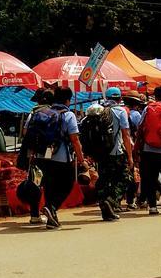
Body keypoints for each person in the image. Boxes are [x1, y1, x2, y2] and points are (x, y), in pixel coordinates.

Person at [23, 86, 84, 229]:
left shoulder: (40, 113)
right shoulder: (68, 115)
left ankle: (52, 219)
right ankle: (52, 207)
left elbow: (27, 133)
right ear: (68, 100)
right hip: (61, 157)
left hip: (41, 157)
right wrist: (81, 160)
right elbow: (74, 139)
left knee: (49, 186)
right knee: (68, 183)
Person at [93, 87, 137, 221]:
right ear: (119, 98)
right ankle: (111, 201)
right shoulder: (120, 111)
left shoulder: (97, 110)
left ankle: (105, 207)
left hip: (101, 153)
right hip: (116, 151)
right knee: (125, 177)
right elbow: (125, 135)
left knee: (104, 179)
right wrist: (130, 157)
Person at [139, 87, 161, 216]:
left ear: (156, 96)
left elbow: (141, 127)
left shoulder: (147, 109)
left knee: (150, 179)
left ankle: (152, 207)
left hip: (148, 149)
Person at [123, 91, 146, 210]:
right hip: (134, 147)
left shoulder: (122, 112)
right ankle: (138, 199)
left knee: (128, 173)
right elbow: (140, 132)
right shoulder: (136, 115)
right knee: (137, 173)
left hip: (121, 147)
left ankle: (129, 200)